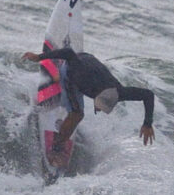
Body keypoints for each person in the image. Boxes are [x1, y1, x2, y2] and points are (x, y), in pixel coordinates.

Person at [22, 46, 155, 165]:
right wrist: (38, 57)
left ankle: (58, 78)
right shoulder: (82, 77)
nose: (99, 110)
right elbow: (68, 53)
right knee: (77, 114)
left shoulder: (120, 92)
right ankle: (56, 147)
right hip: (73, 70)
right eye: (99, 106)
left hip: (91, 64)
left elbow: (148, 95)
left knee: (78, 108)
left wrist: (147, 124)